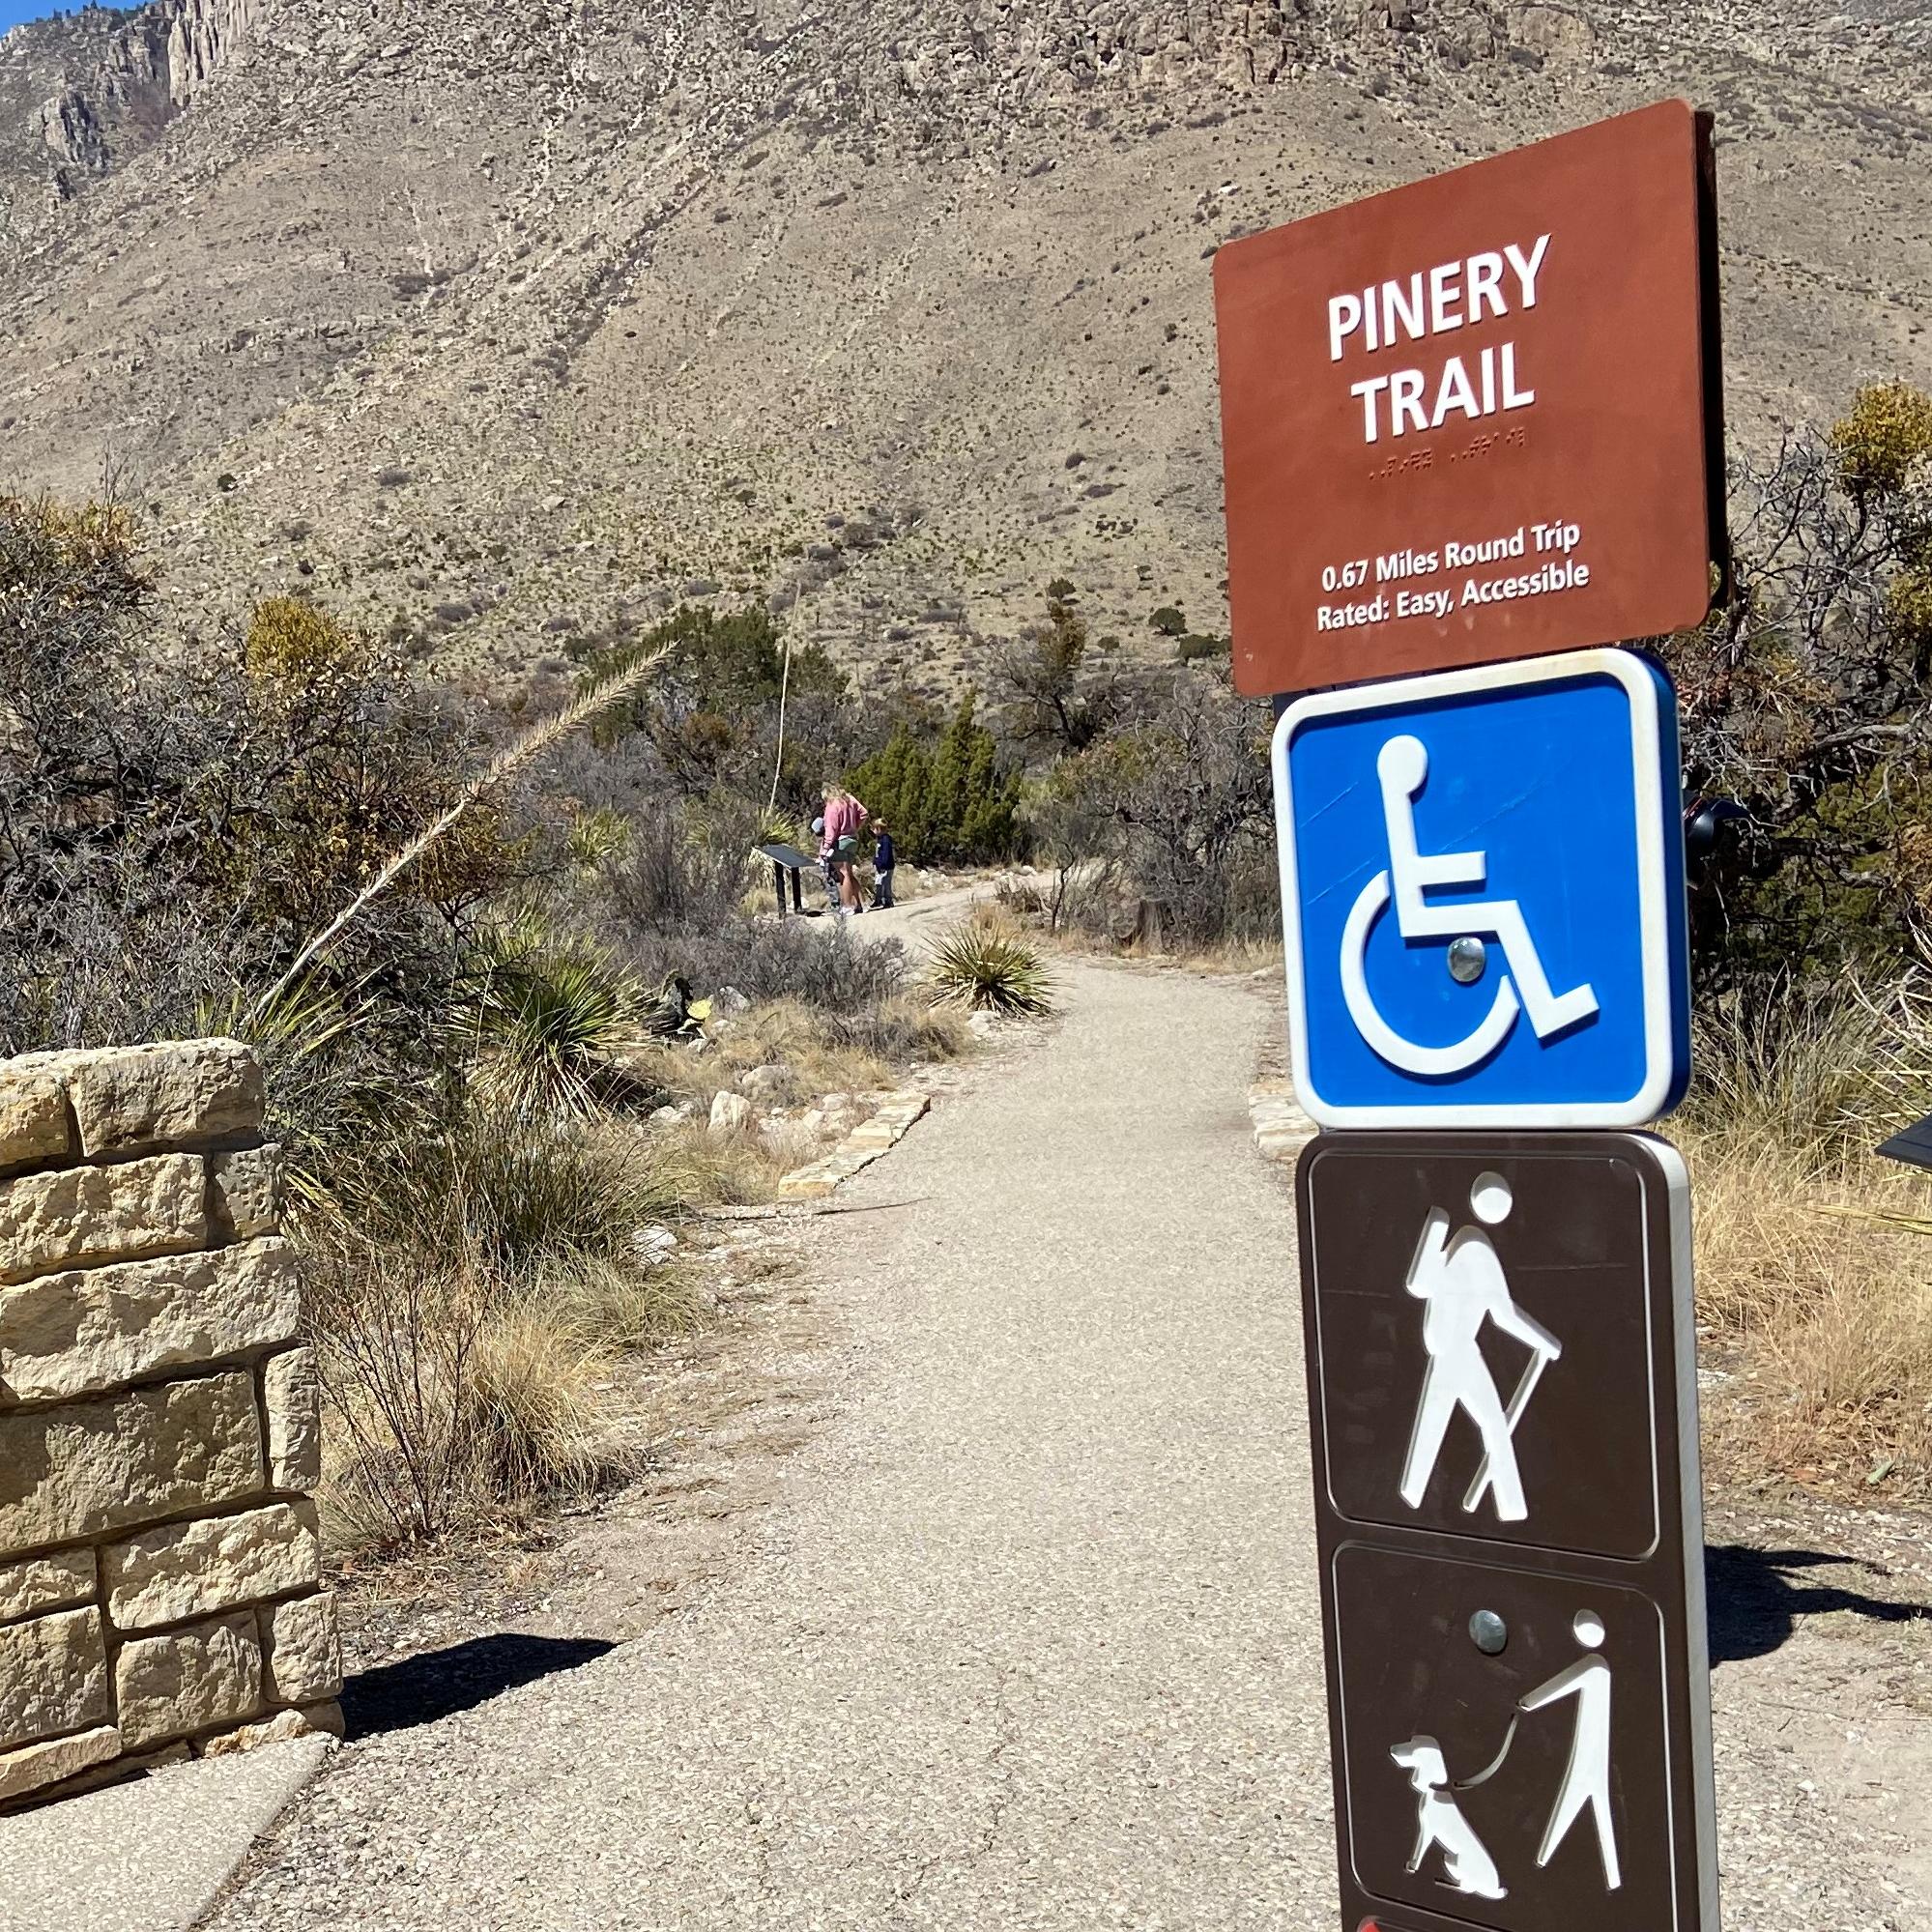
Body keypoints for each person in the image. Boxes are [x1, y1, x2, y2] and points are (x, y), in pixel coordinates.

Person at [820, 785, 870, 916]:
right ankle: (861, 904)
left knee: (843, 874)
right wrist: (855, 827)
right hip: (852, 840)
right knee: (850, 873)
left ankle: (847, 906)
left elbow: (831, 830)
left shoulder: (832, 806)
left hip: (839, 842)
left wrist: (825, 849)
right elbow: (864, 813)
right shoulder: (850, 799)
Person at [871, 820, 897, 909]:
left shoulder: (886, 839)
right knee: (878, 883)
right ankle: (878, 900)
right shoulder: (879, 839)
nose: (873, 831)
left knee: (886, 883)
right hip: (879, 866)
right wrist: (875, 861)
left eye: (874, 829)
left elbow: (886, 853)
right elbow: (878, 852)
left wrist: (883, 864)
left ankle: (888, 900)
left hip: (886, 866)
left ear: (878, 829)